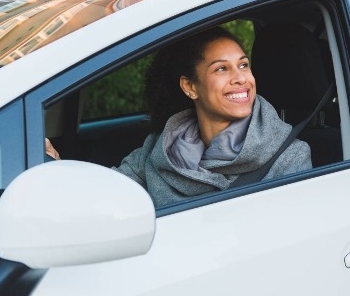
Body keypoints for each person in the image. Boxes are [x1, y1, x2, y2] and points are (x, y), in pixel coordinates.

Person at [47, 26, 312, 207]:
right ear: (190, 87)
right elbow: (104, 195)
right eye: (222, 69)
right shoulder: (158, 149)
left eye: (243, 65)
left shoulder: (289, 157)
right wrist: (57, 170)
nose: (241, 78)